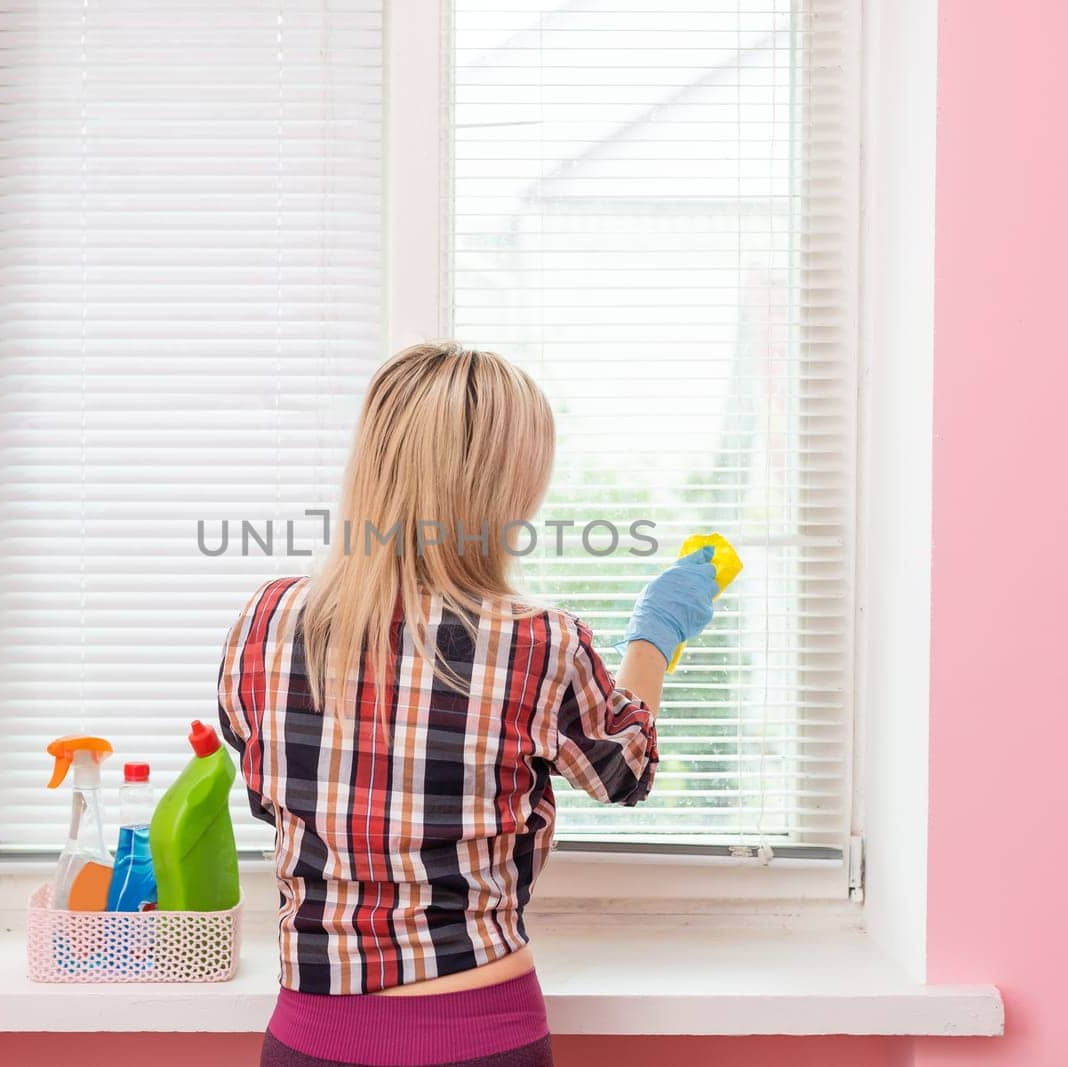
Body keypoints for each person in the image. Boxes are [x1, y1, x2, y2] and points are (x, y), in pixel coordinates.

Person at [218, 342, 720, 1067]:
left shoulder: (264, 623)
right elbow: (626, 771)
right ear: (503, 489)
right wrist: (657, 630)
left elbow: (274, 796)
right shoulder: (538, 643)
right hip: (484, 1035)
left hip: (309, 1040)